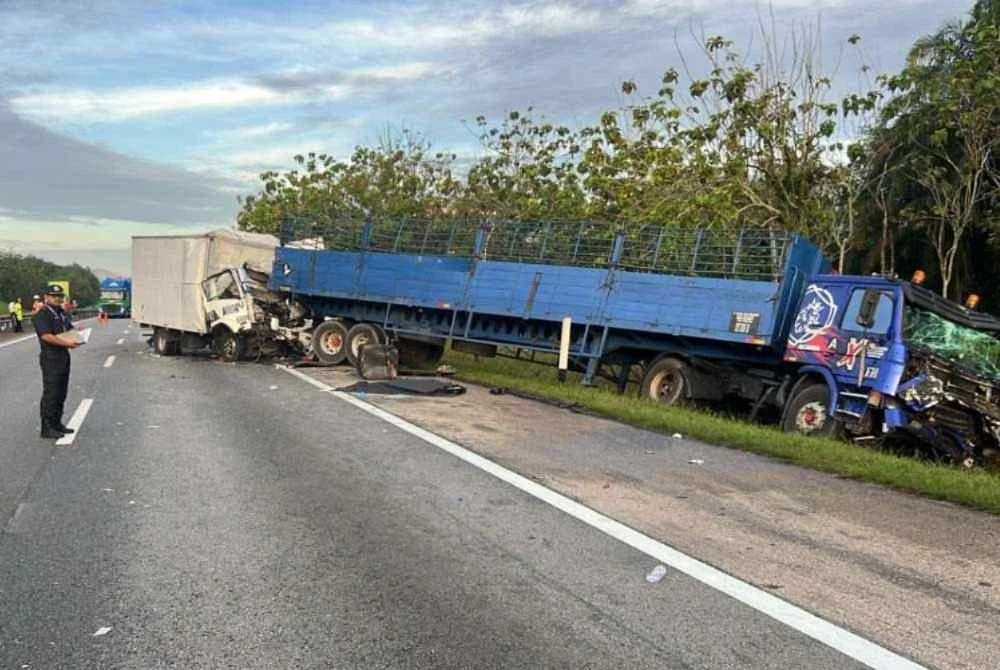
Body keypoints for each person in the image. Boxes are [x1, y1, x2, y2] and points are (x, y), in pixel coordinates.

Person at [35, 284, 80, 439]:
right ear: (46, 297)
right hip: (51, 357)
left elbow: (69, 329)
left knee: (62, 392)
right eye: (53, 296)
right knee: (52, 392)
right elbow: (46, 335)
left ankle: (57, 423)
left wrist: (78, 336)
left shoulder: (62, 313)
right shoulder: (43, 314)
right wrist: (67, 343)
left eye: (59, 296)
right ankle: (46, 427)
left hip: (63, 356)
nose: (57, 298)